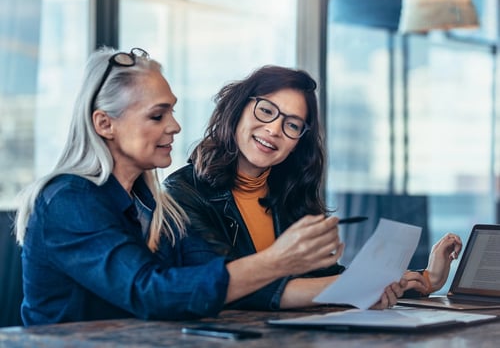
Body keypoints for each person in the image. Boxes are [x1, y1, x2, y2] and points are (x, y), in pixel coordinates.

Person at [14, 47, 355, 326]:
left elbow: (212, 281)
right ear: (105, 124)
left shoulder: (155, 205)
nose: (175, 126)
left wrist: (358, 287)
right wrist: (277, 261)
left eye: (172, 112)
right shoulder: (68, 200)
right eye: (157, 116)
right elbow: (150, 293)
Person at [164, 65, 463, 310]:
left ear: (298, 143)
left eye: (292, 125)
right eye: (266, 111)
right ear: (238, 109)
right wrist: (357, 288)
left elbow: (324, 278)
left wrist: (425, 278)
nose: (274, 130)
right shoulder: (182, 193)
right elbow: (229, 286)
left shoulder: (289, 194)